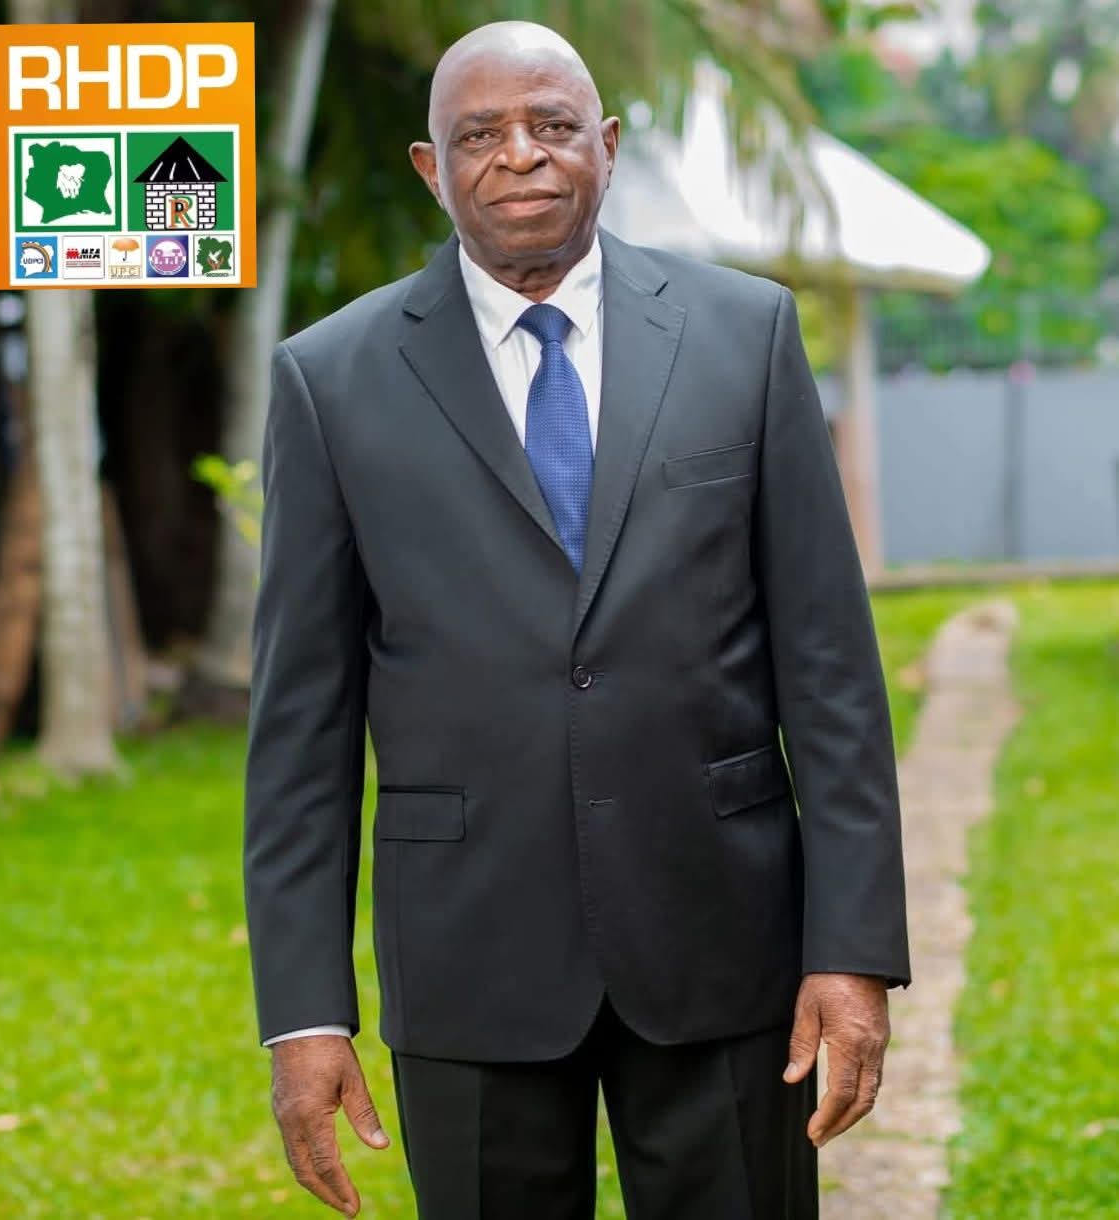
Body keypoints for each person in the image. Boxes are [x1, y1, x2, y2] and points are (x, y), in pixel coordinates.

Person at [243, 20, 911, 1220]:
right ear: (429, 167)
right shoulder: (330, 379)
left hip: (724, 939)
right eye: (479, 135)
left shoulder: (744, 334)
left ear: (605, 143)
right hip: (469, 958)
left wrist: (852, 949)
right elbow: (301, 730)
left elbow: (831, 673)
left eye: (552, 125)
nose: (521, 156)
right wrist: (304, 1012)